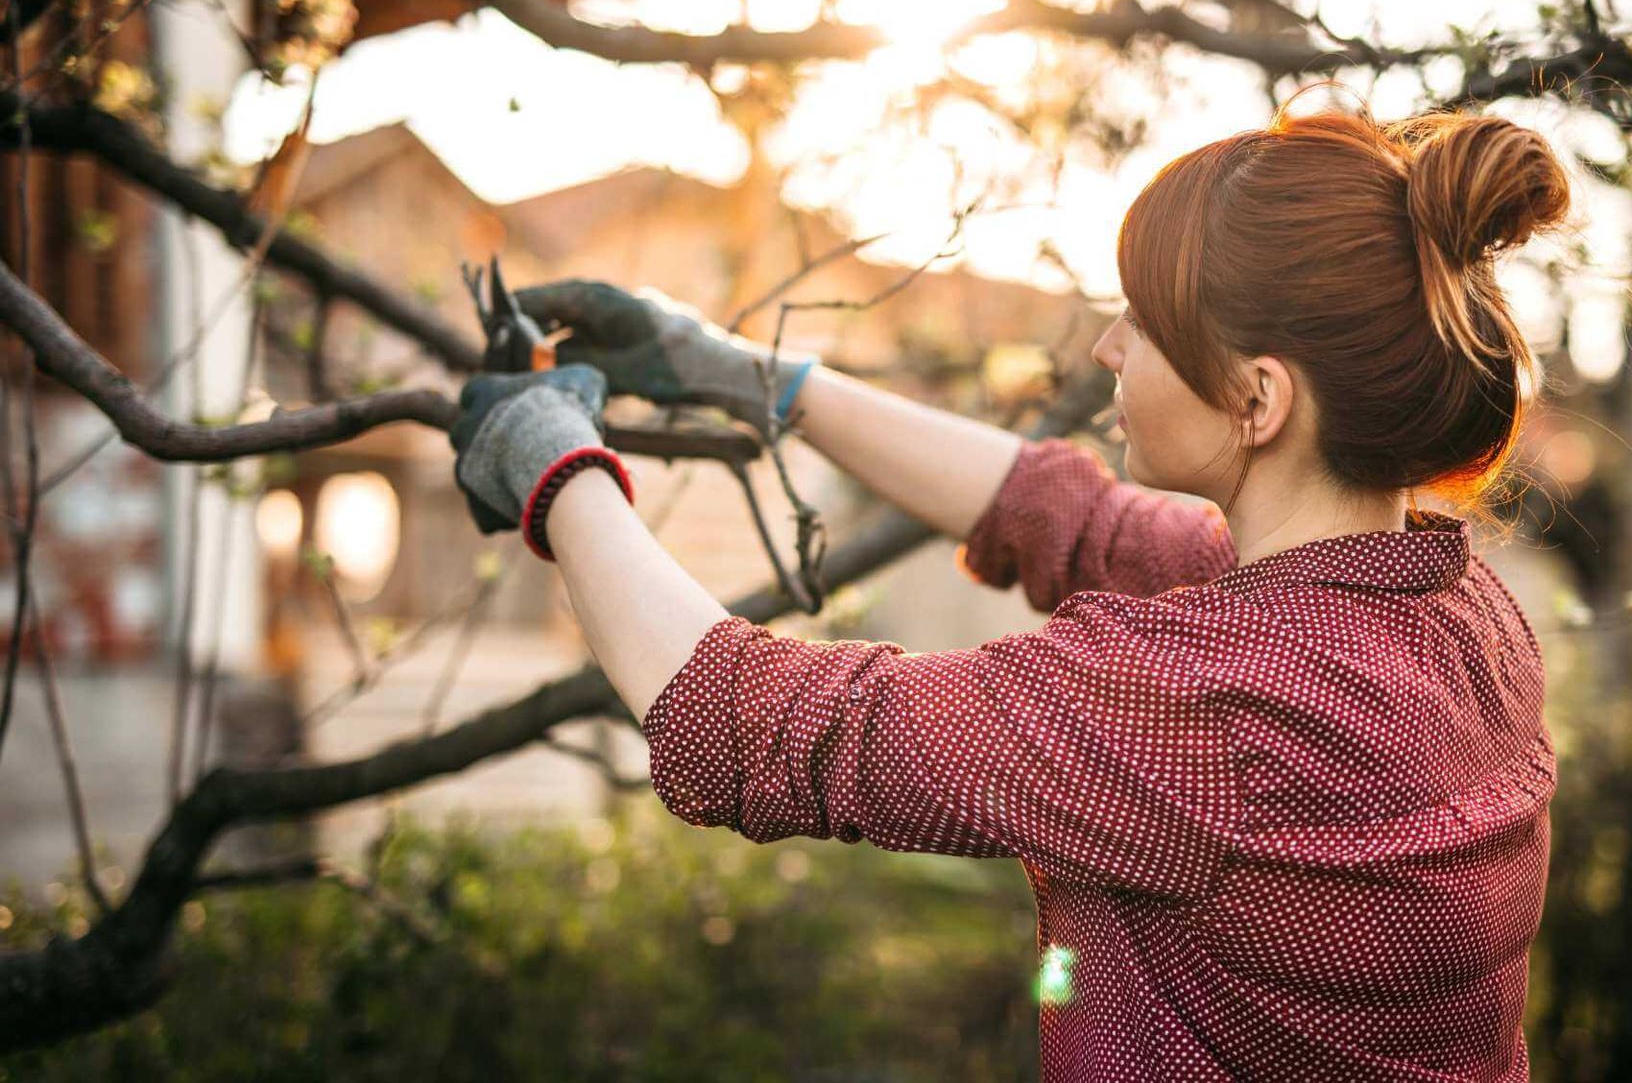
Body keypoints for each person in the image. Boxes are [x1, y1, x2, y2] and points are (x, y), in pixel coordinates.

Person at [447, 88, 1568, 1082]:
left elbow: (757, 723)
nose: (1108, 349)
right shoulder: (1458, 618)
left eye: (1146, 321)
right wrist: (738, 374)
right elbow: (1063, 517)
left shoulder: (1210, 707)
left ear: (1256, 401)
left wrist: (553, 468)